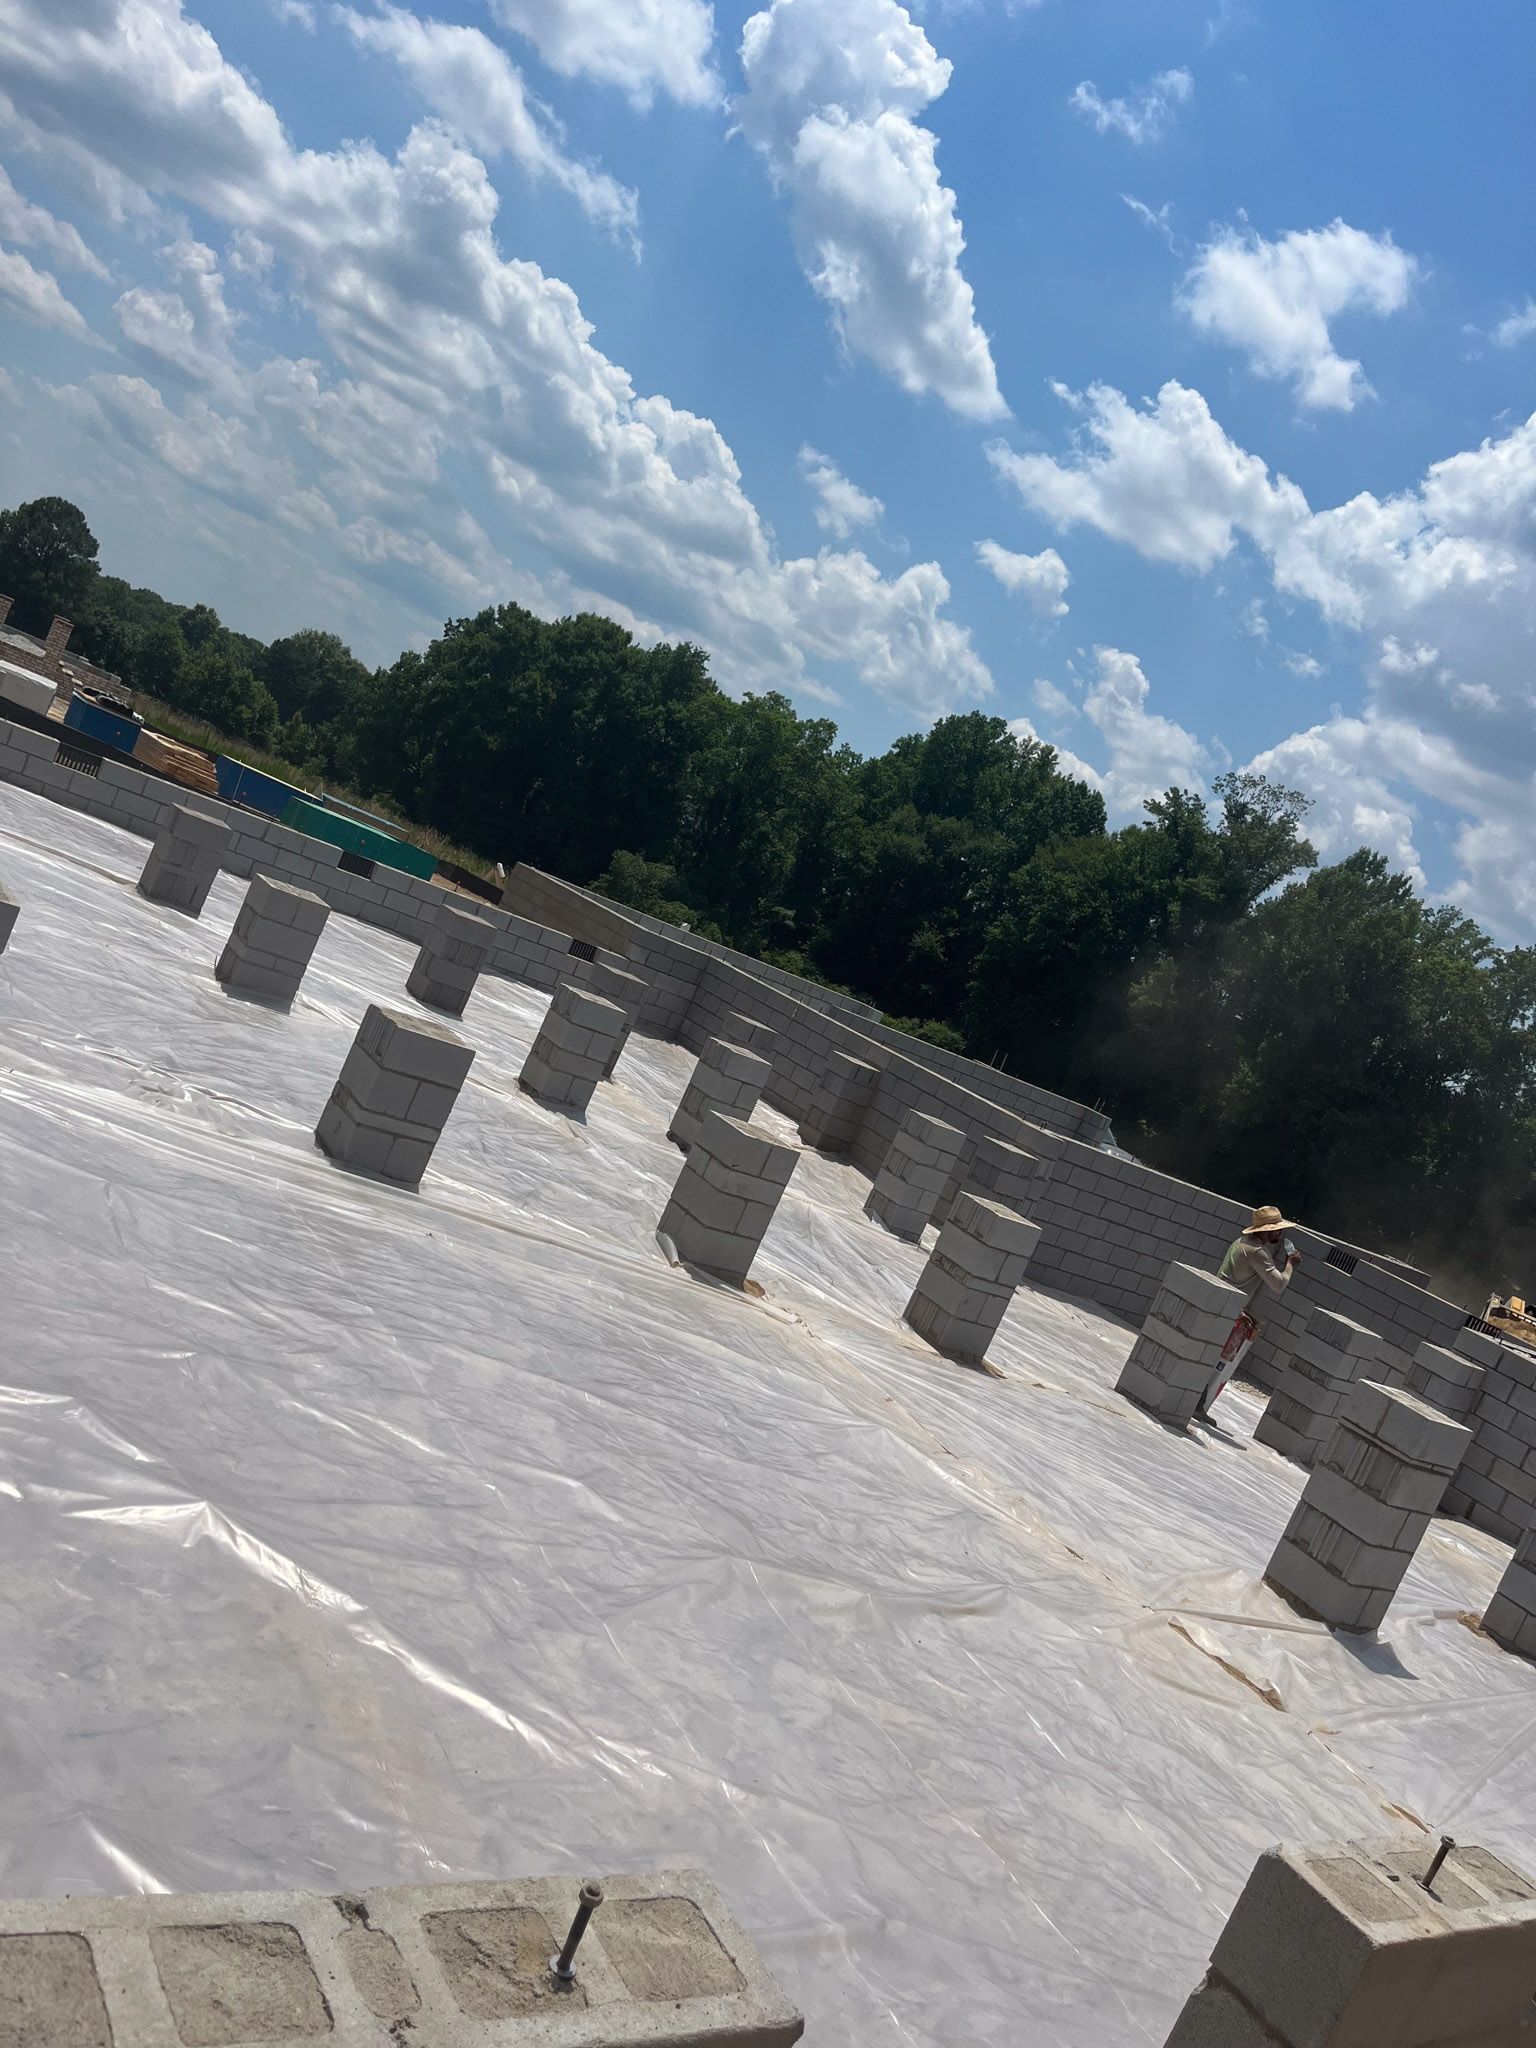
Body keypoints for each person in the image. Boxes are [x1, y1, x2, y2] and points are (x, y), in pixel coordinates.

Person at [1198, 1205, 1302, 1415]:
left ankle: (1197, 1404)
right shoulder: (1257, 1252)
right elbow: (1278, 1285)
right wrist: (1290, 1264)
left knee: (1210, 1356)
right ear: (1267, 1230)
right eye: (1278, 1229)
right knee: (1214, 1361)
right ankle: (1195, 1404)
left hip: (1222, 1303)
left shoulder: (1241, 1242)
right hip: (1228, 1309)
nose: (1281, 1234)